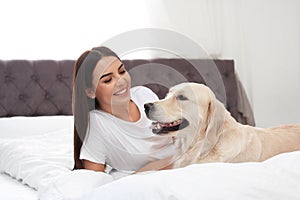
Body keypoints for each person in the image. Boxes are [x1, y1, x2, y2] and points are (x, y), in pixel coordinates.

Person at [73, 46, 175, 175]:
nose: (121, 81)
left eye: (121, 71)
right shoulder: (98, 123)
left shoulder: (144, 95)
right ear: (90, 92)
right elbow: (93, 180)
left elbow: (178, 136)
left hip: (192, 164)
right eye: (108, 80)